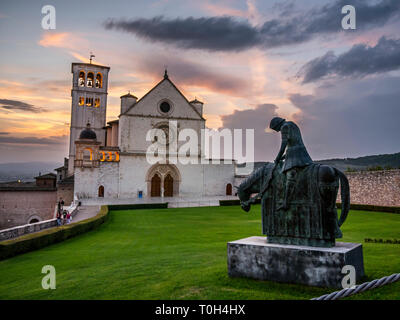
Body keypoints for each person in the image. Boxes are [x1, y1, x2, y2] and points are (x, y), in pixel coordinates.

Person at [269, 117, 313, 210]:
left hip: (296, 155)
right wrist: (283, 157)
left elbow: (284, 145)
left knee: (290, 176)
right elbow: (293, 143)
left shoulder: (284, 127)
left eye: (275, 129)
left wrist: (277, 158)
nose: (277, 131)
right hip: (298, 152)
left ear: (277, 125)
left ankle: (286, 203)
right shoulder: (292, 124)